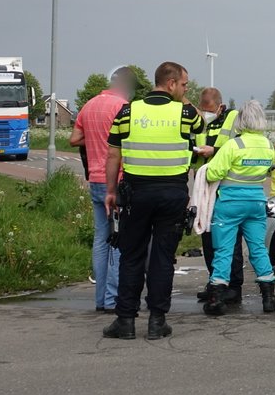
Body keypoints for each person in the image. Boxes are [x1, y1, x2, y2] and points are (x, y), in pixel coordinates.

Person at [102, 62, 203, 341]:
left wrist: (111, 191)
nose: (186, 90)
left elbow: (113, 156)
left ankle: (125, 321)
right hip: (172, 194)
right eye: (184, 85)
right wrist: (183, 100)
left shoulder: (127, 111)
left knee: (131, 256)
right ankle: (157, 321)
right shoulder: (186, 112)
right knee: (162, 258)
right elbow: (201, 129)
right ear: (170, 84)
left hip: (136, 193)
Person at [69, 66, 135, 313]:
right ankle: (112, 298)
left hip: (94, 179)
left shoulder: (89, 105)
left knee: (100, 239)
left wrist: (96, 138)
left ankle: (100, 299)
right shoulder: (122, 107)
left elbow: (74, 139)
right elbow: (127, 143)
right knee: (119, 239)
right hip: (115, 180)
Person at [202, 100, 275, 315]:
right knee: (258, 249)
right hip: (256, 203)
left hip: (230, 204)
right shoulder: (268, 146)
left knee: (224, 250)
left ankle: (216, 299)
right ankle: (269, 298)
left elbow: (212, 173)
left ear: (241, 121)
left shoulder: (233, 145)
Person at [191, 87, 244, 304]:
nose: (205, 113)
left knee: (230, 241)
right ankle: (215, 283)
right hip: (205, 190)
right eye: (203, 110)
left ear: (220, 106)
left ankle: (234, 286)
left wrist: (213, 150)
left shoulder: (233, 118)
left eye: (209, 109)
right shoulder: (202, 123)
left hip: (226, 189)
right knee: (208, 237)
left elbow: (239, 146)